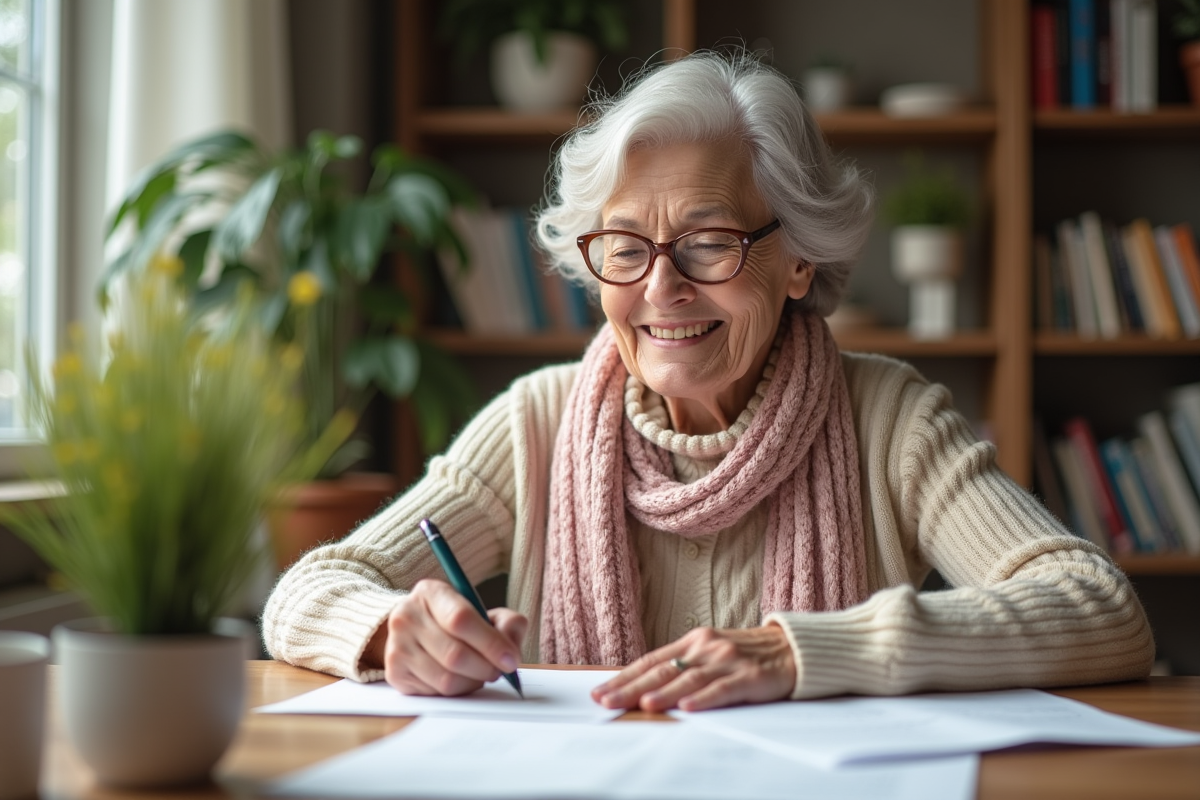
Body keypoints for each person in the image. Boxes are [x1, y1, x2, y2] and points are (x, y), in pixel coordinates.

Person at [262, 50, 1153, 712]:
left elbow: (1101, 608)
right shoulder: (537, 421)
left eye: (709, 241)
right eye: (624, 246)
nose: (660, 287)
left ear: (798, 259)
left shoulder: (889, 418)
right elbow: (308, 589)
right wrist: (391, 631)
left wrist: (803, 652)